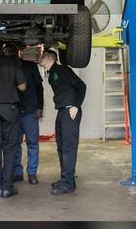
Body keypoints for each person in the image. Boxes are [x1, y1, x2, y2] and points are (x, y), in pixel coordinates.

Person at [39, 49, 86, 195]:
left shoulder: (62, 70)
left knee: (68, 147)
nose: (40, 59)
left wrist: (76, 106)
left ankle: (68, 184)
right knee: (61, 147)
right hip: (61, 111)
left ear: (48, 58)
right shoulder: (52, 72)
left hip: (69, 111)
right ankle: (66, 179)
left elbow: (81, 86)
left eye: (42, 57)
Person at [0, 42, 26, 198]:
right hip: (10, 109)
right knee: (10, 148)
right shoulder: (12, 63)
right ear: (3, 48)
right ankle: (7, 187)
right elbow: (22, 87)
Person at [12, 52, 44, 185]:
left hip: (30, 110)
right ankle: (17, 173)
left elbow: (39, 88)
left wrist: (40, 107)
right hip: (13, 111)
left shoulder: (30, 66)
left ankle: (32, 173)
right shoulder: (8, 67)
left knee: (32, 143)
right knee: (15, 144)